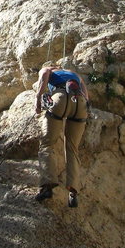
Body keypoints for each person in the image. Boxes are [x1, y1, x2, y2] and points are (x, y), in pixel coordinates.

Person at [34, 63, 89, 208]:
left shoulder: (48, 69)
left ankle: (47, 186)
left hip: (61, 98)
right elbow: (85, 93)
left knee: (47, 143)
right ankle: (73, 191)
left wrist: (38, 99)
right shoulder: (74, 74)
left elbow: (44, 75)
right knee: (72, 148)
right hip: (80, 104)